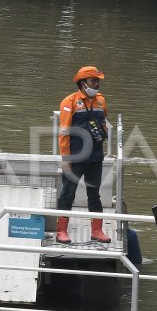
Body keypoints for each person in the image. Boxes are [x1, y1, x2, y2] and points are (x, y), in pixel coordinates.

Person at [56, 65, 110, 244]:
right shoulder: (69, 102)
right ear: (82, 83)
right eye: (93, 81)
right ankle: (61, 231)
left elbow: (103, 123)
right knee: (67, 193)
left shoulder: (101, 101)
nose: (97, 84)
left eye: (98, 81)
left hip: (95, 156)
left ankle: (97, 231)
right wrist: (65, 157)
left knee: (94, 194)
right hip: (75, 157)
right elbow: (64, 132)